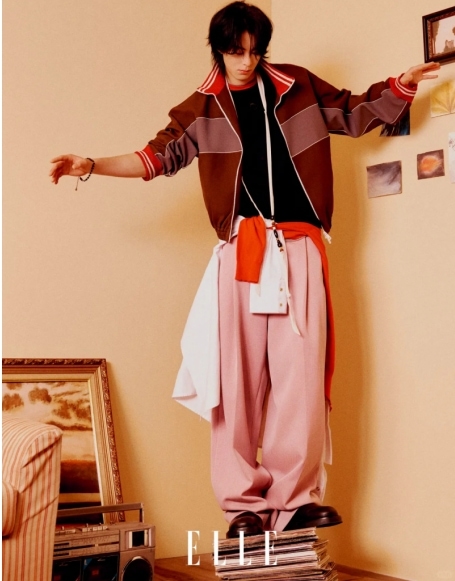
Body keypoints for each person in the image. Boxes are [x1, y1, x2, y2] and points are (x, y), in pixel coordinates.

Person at [50, 1, 440, 539]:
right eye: (236, 51)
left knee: (301, 381)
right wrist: (90, 165)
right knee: (235, 382)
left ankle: (294, 500)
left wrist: (402, 85)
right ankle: (242, 507)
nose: (246, 61)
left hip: (300, 244)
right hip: (243, 250)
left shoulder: (297, 87)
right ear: (219, 50)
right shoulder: (200, 110)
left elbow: (354, 113)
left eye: (255, 51)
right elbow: (153, 159)